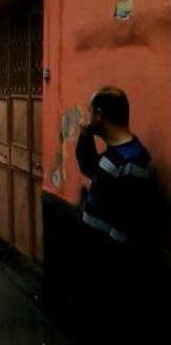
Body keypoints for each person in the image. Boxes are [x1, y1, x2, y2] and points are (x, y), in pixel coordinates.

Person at [75, 86, 165, 341]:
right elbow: (89, 168)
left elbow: (128, 224)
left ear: (100, 115)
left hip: (111, 270)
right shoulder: (112, 155)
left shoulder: (132, 161)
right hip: (97, 261)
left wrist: (103, 265)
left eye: (91, 111)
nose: (87, 116)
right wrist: (84, 134)